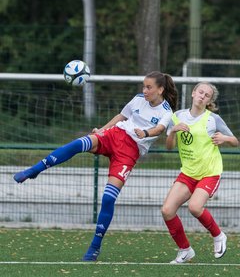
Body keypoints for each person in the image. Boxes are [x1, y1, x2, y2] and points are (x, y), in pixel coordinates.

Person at [13, 71, 178, 262]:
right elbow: (121, 116)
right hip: (114, 135)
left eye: (149, 87)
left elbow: (159, 129)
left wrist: (145, 132)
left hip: (129, 152)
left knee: (108, 199)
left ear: (160, 89)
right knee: (77, 144)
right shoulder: (138, 99)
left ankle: (95, 246)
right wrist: (102, 129)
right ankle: (35, 170)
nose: (145, 90)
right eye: (144, 86)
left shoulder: (167, 111)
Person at [160, 82, 239, 264]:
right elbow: (170, 147)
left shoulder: (213, 119)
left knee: (195, 207)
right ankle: (185, 250)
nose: (202, 96)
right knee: (167, 210)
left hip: (209, 172)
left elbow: (235, 141)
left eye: (207, 95)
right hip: (188, 173)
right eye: (200, 92)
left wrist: (225, 138)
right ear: (193, 93)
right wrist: (173, 131)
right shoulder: (177, 116)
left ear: (209, 100)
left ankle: (219, 236)